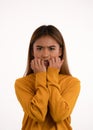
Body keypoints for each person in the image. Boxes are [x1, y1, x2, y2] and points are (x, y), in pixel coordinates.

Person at [14, 25, 80, 130]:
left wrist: (52, 75)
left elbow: (59, 115)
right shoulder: (22, 83)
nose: (45, 54)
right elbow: (38, 114)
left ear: (60, 51)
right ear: (32, 51)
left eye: (51, 48)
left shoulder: (72, 83)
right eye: (39, 48)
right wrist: (41, 76)